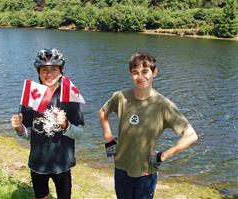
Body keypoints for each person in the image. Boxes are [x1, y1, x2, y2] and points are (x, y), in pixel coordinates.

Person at [99, 52, 198, 199]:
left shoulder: (163, 105)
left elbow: (191, 135)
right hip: (121, 167)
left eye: (145, 71)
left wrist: (164, 155)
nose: (140, 77)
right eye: (135, 72)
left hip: (146, 172)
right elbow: (103, 112)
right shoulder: (120, 97)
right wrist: (108, 137)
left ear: (154, 72)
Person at [11, 48, 84, 199]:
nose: (49, 74)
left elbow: (80, 133)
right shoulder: (32, 95)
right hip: (38, 163)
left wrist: (66, 125)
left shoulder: (69, 96)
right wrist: (20, 128)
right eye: (44, 69)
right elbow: (29, 134)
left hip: (62, 164)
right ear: (38, 72)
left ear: (61, 71)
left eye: (54, 69)